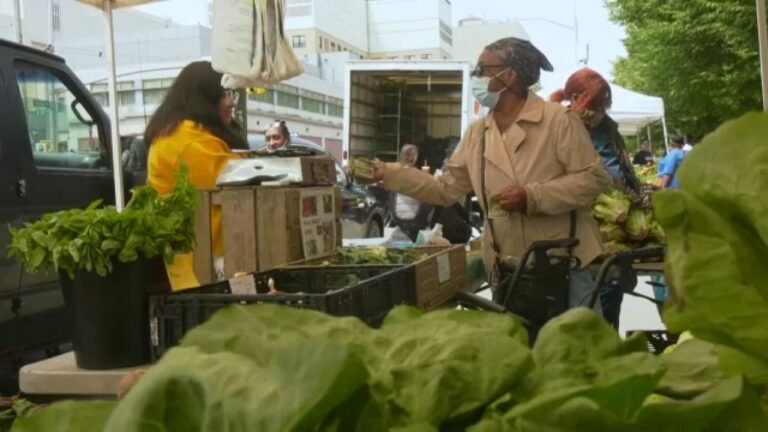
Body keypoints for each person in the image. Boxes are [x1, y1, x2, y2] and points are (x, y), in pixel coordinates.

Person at [355, 37, 611, 315]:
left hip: (566, 267)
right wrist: (388, 173)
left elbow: (593, 179)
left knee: (576, 354)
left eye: (482, 70)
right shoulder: (478, 133)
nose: (477, 77)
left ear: (509, 75)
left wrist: (532, 196)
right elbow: (445, 189)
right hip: (509, 270)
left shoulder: (558, 121)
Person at [145, 60, 245, 285]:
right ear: (203, 98)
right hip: (195, 267)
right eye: (223, 95)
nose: (231, 102)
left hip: (196, 259)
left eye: (231, 94)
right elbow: (237, 175)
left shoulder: (184, 133)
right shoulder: (186, 140)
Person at [550, 68, 641, 195]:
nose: (599, 111)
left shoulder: (609, 129)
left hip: (621, 201)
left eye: (603, 106)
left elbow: (623, 170)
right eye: (595, 105)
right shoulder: (558, 129)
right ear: (575, 98)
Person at [388, 145, 435, 242]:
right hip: (417, 223)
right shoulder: (418, 176)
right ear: (415, 158)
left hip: (399, 222)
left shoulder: (393, 174)